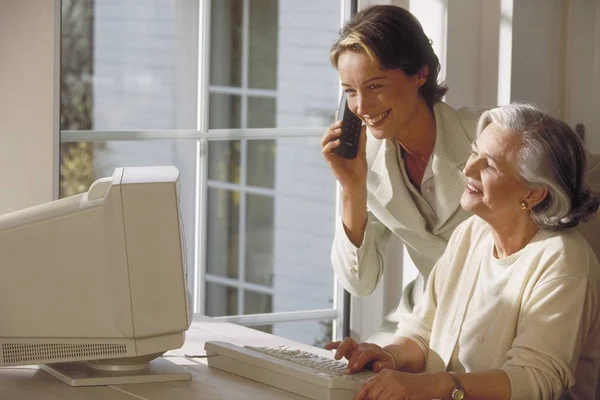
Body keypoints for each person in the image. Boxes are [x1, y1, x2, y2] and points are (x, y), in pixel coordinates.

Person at [326, 103, 600, 399]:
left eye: (490, 166)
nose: (468, 169)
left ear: (533, 193)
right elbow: (422, 331)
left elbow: (535, 380)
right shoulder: (472, 233)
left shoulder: (563, 260)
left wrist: (437, 385)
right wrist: (385, 356)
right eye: (474, 152)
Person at [320, 4, 487, 340]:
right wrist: (353, 190)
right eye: (350, 92)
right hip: (424, 319)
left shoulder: (488, 135)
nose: (362, 108)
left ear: (420, 74)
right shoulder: (365, 161)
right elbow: (360, 283)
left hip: (499, 312)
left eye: (375, 86)